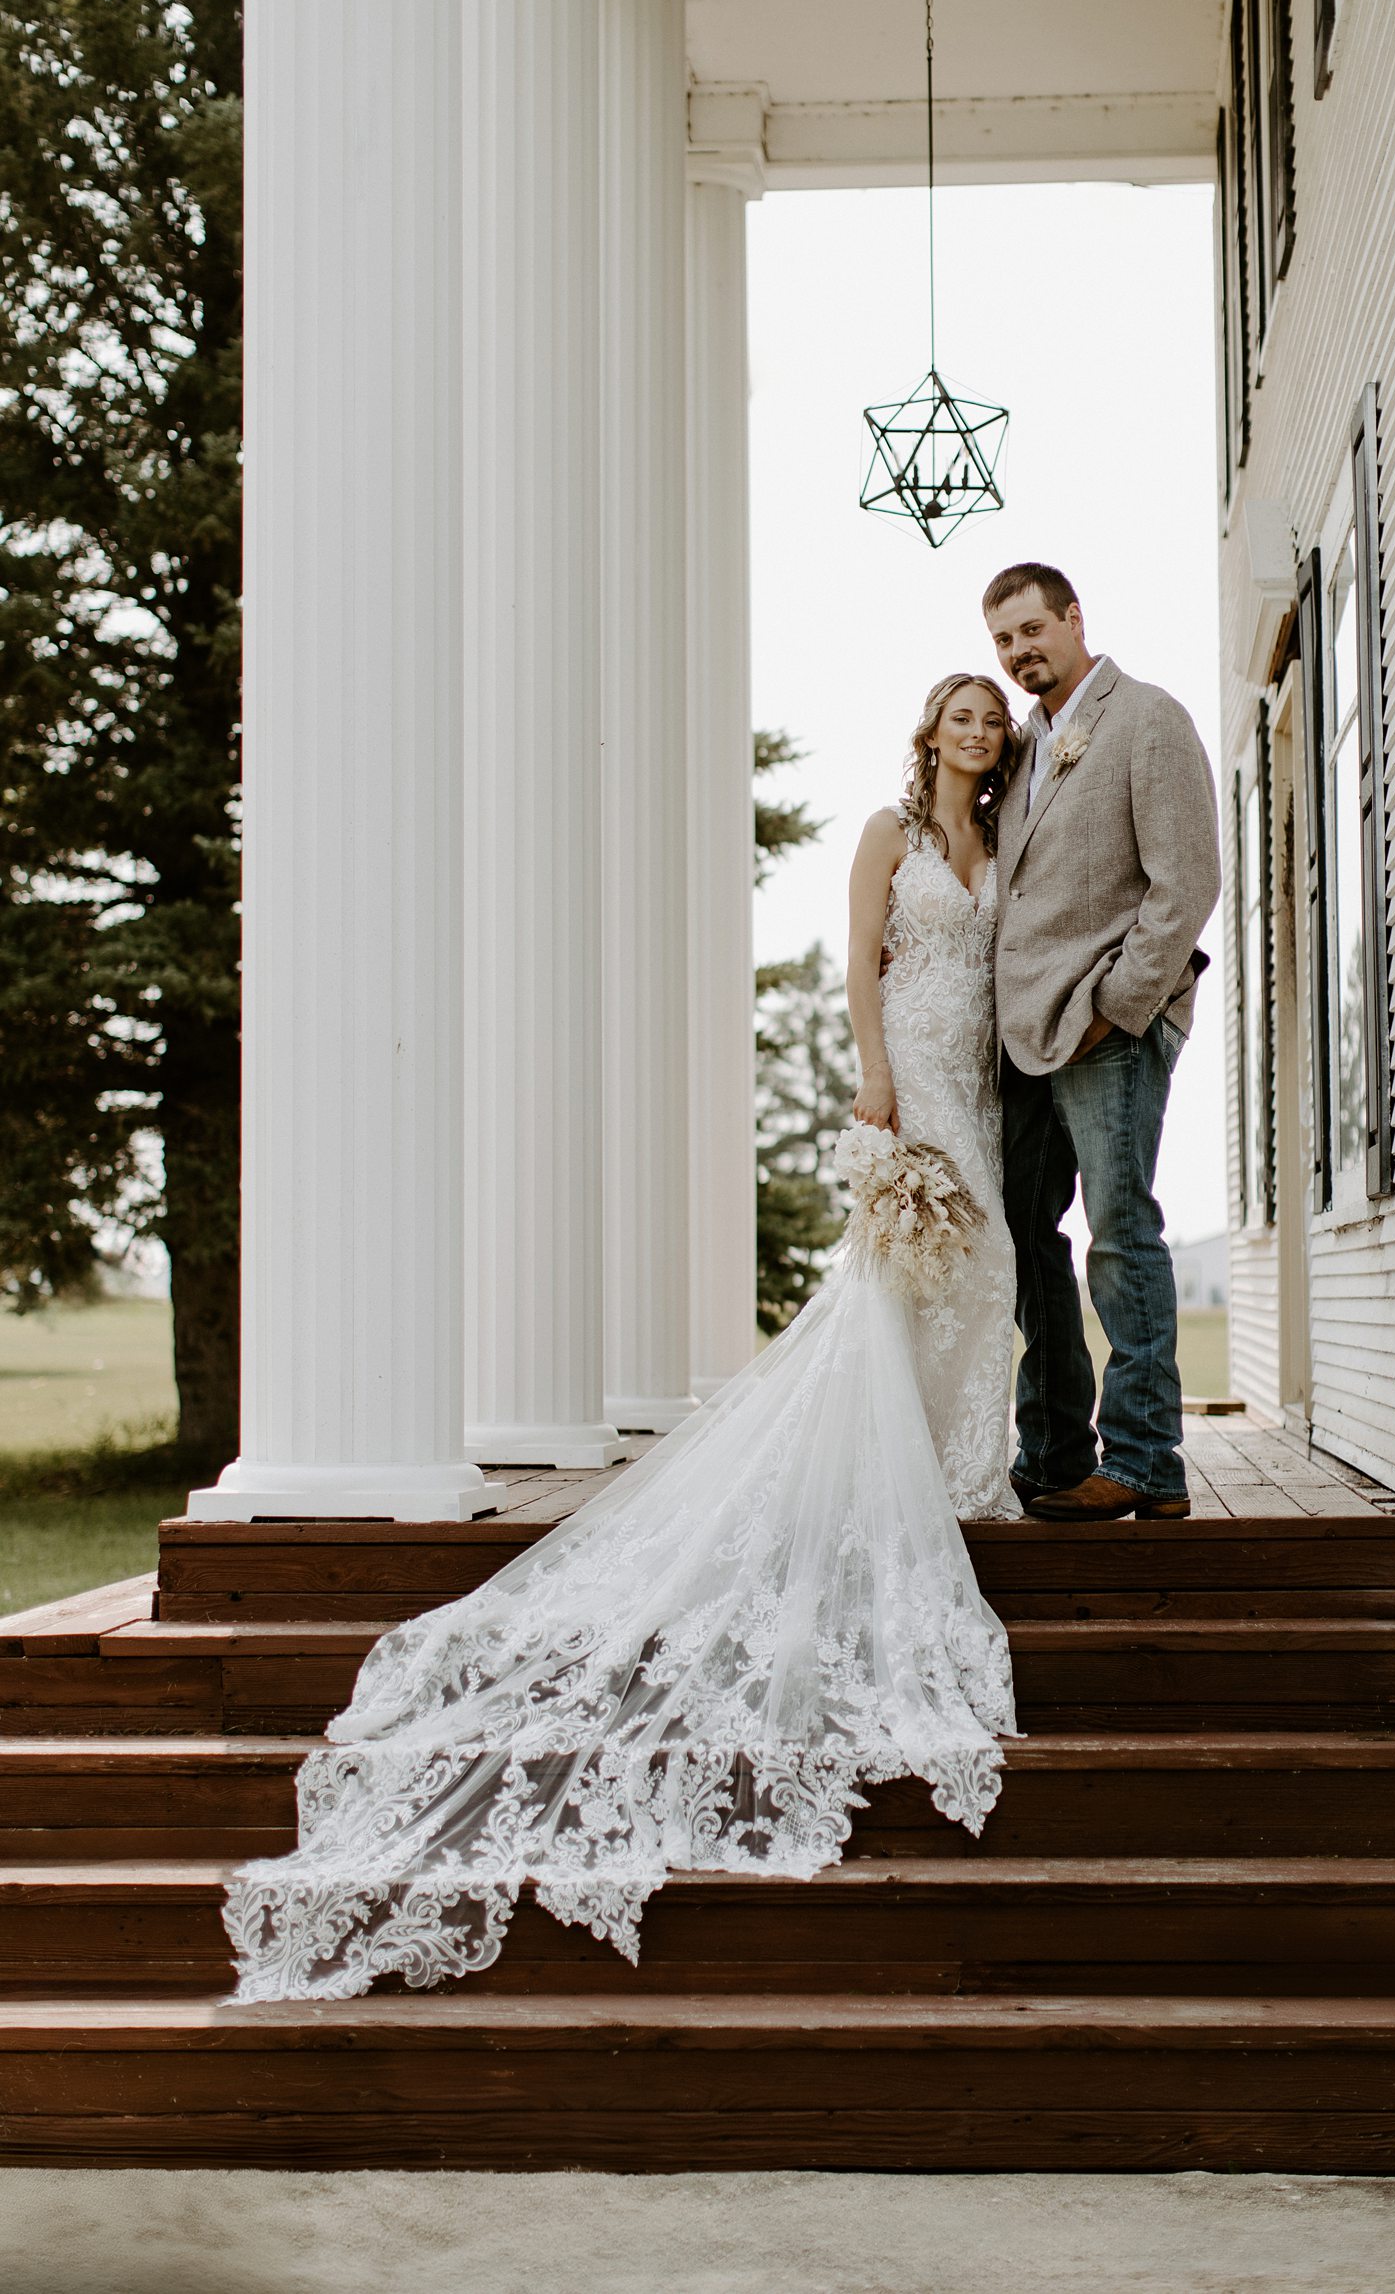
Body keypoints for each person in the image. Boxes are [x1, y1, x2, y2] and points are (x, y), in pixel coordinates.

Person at [222, 673, 1022, 2001]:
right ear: (929, 731)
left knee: (977, 1274)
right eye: (959, 713)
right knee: (897, 1280)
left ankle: (952, 1470)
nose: (976, 733)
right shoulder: (896, 834)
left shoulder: (1002, 840)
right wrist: (875, 1078)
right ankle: (895, 1479)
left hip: (980, 1080)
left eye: (991, 718)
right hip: (913, 1074)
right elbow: (860, 964)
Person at [984, 562, 1221, 1522]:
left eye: (1032, 629)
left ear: (1075, 617)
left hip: (1107, 1025)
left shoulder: (1146, 720)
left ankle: (1145, 1464)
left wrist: (1118, 1006)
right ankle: (1051, 1452)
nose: (1018, 652)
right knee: (1026, 1235)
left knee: (1119, 1233)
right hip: (1023, 1034)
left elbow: (1186, 882)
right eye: (1002, 640)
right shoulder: (1025, 746)